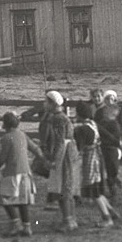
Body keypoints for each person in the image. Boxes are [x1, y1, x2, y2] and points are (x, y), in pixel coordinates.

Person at [0, 112, 42, 237]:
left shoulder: (7, 138)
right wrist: (42, 159)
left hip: (12, 172)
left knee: (4, 199)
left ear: (5, 125)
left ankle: (15, 224)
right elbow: (35, 148)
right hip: (25, 171)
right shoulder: (22, 135)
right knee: (22, 201)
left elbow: (3, 157)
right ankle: (27, 227)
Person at [74, 102, 120, 227]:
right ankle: (111, 211)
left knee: (94, 191)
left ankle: (107, 219)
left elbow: (79, 147)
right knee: (97, 189)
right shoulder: (93, 124)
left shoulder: (83, 129)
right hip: (98, 159)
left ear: (78, 114)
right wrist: (118, 144)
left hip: (90, 161)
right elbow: (108, 136)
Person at [39, 90, 80, 232]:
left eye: (46, 101)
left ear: (53, 103)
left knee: (63, 186)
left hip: (64, 155)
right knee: (66, 186)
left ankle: (68, 220)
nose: (44, 104)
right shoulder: (60, 117)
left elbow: (60, 141)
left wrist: (55, 160)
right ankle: (71, 219)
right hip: (69, 152)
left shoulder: (58, 118)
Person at [95, 90, 122, 197]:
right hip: (104, 142)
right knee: (105, 167)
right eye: (107, 98)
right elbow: (96, 126)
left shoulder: (118, 111)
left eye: (112, 99)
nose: (110, 101)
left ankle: (114, 180)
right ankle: (110, 190)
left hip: (115, 143)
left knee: (114, 165)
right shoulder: (100, 112)